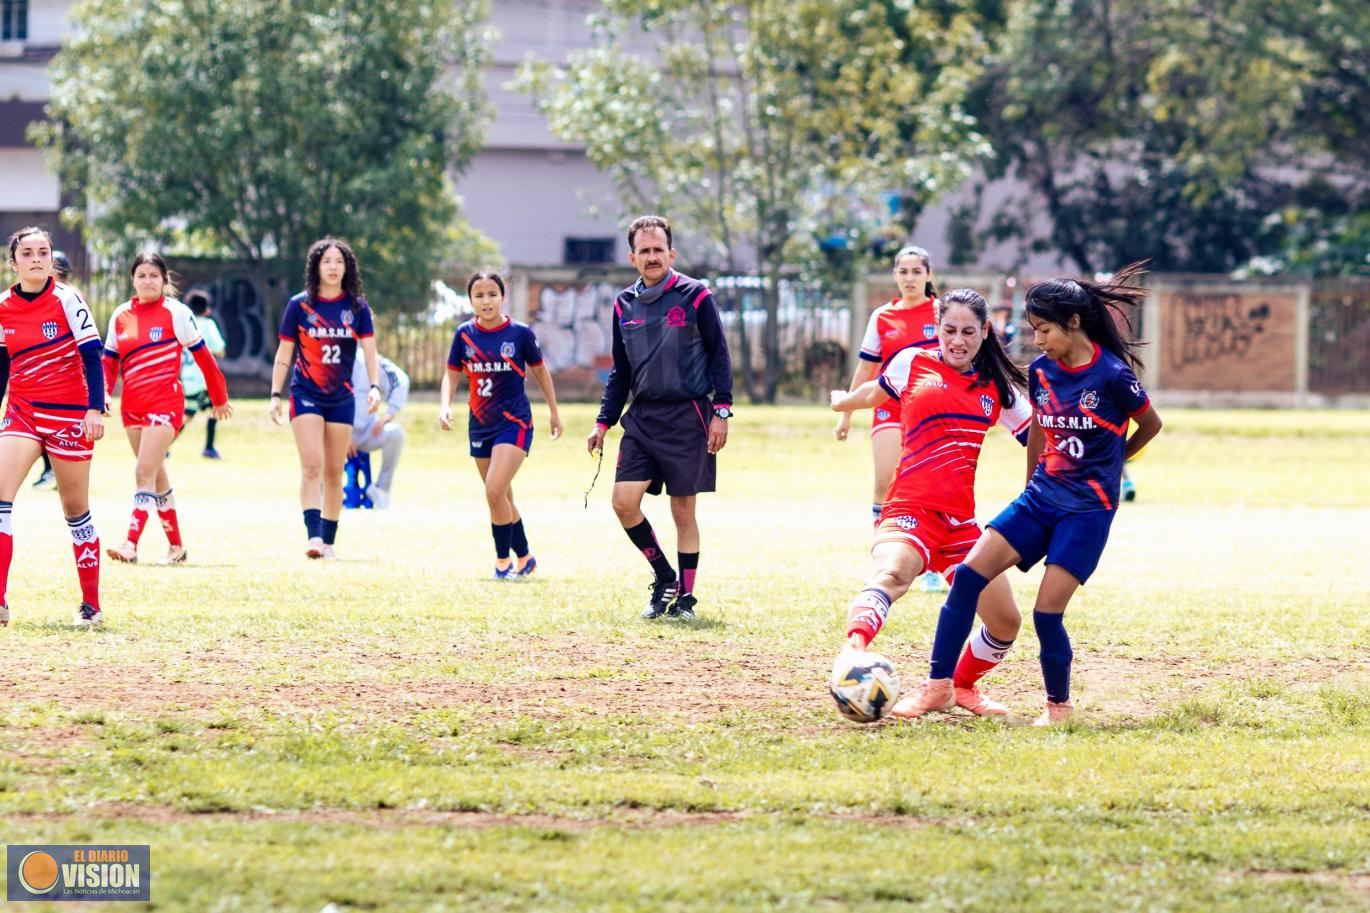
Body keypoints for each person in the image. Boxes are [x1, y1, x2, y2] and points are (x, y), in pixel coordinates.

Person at [894, 264, 1164, 725]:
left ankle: (1058, 708)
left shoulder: (1112, 375)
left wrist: (1117, 464)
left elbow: (1152, 424)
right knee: (969, 577)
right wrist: (1029, 485)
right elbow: (1038, 427)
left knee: (1045, 613)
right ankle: (939, 687)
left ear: (1073, 323)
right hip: (1040, 499)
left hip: (1087, 510)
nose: (1037, 341)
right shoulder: (1041, 371)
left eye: (1043, 330)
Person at [830, 288, 1032, 716]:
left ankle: (957, 687)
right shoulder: (911, 362)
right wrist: (843, 402)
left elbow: (1039, 436)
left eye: (968, 332)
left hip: (961, 525)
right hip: (908, 509)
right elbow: (873, 395)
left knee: (1006, 623)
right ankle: (852, 652)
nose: (957, 341)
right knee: (893, 573)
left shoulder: (995, 385)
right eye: (949, 330)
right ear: (937, 328)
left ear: (985, 332)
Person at [585, 216, 733, 621]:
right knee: (623, 501)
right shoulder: (623, 304)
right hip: (643, 419)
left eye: (658, 250)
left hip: (689, 416)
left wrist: (721, 410)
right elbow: (621, 371)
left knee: (683, 512)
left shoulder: (695, 296)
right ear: (632, 257)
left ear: (671, 253)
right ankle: (663, 574)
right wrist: (603, 422)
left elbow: (720, 354)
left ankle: (685, 599)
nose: (652, 257)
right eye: (644, 251)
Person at [0, 227, 107, 626]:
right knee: (0, 497)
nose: (36, 259)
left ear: (51, 259)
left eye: (43, 252)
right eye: (27, 253)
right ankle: (0, 601)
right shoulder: (3, 306)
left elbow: (93, 357)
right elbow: (2, 365)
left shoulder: (68, 298)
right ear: (14, 262)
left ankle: (91, 605)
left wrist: (94, 410)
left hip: (69, 414)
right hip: (23, 411)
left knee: (75, 508)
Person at [102, 253, 232, 565]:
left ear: (164, 281)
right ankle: (176, 547)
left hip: (165, 403)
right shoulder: (120, 315)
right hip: (131, 406)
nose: (148, 281)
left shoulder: (177, 313)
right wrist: (103, 395)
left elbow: (205, 359)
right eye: (142, 275)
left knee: (143, 472)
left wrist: (219, 397)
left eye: (154, 276)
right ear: (133, 279)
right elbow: (108, 362)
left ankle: (130, 544)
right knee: (156, 474)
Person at [834, 245, 948, 593]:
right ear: (895, 275)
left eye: (917, 271)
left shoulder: (942, 311)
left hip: (931, 409)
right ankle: (885, 560)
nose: (910, 278)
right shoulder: (883, 316)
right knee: (885, 480)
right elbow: (867, 367)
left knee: (927, 483)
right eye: (903, 271)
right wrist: (847, 413)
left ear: (929, 275)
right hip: (889, 406)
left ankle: (931, 564)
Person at [440, 270, 562, 578]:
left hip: (515, 424)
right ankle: (525, 558)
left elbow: (540, 371)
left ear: (503, 297)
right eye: (479, 295)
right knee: (502, 495)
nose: (486, 300)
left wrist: (554, 411)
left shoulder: (519, 333)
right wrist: (445, 405)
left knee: (494, 491)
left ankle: (502, 562)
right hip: (480, 424)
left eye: (492, 294)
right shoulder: (464, 334)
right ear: (470, 300)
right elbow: (452, 373)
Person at [269, 238, 381, 559]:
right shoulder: (299, 306)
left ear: (348, 268)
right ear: (316, 266)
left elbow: (370, 352)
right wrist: (276, 394)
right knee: (312, 466)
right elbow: (284, 353)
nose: (333, 267)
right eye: (327, 261)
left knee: (334, 471)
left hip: (341, 397)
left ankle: (329, 543)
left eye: (339, 261)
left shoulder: (357, 308)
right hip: (305, 394)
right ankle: (314, 538)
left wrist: (374, 387)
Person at [28, 250, 74, 491]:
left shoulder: (71, 298)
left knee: (53, 429)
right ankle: (51, 471)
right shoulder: (41, 297)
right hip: (40, 377)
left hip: (63, 378)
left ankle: (55, 472)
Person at [350, 351, 409, 509]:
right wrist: (344, 434)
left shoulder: (368, 359)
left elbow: (401, 380)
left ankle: (381, 491)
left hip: (368, 431)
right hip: (336, 431)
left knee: (396, 434)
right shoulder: (332, 359)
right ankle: (321, 493)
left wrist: (388, 414)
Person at [179, 290, 228, 459]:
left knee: (190, 412)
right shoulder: (207, 324)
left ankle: (164, 447)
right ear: (207, 309)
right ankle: (209, 447)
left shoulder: (184, 323)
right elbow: (219, 348)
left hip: (187, 377)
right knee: (215, 408)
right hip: (203, 379)